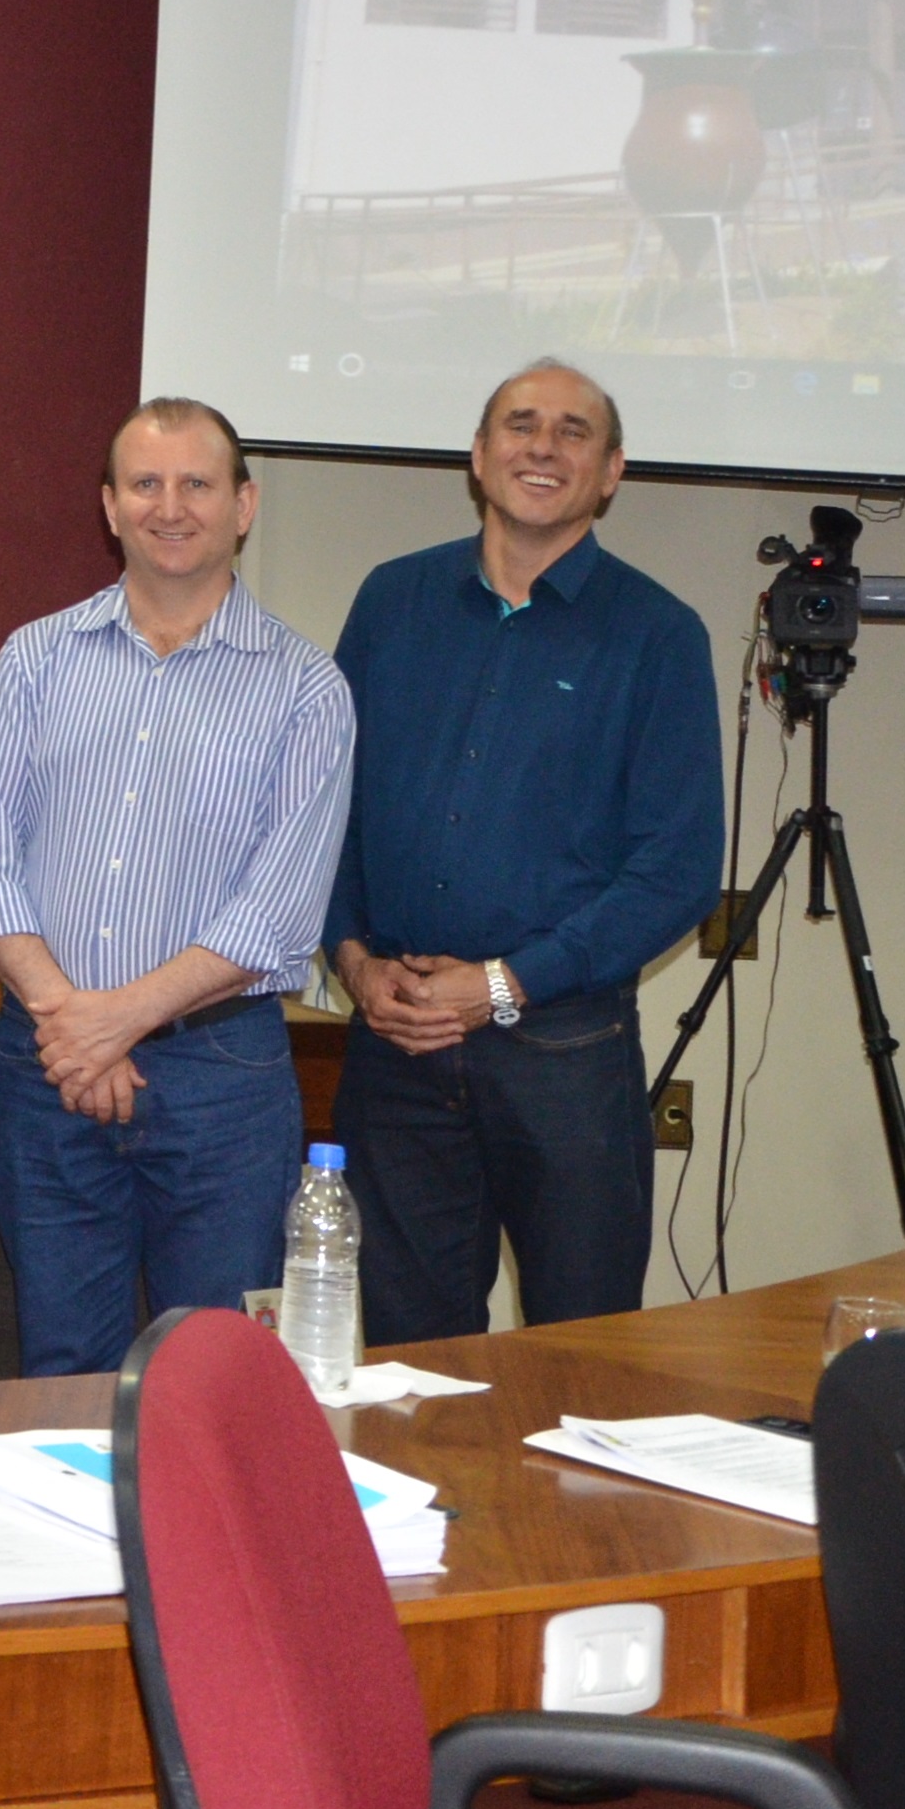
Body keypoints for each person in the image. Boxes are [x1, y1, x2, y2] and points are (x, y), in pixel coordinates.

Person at [322, 361, 722, 1338]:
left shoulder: (658, 635)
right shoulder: (392, 602)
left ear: (610, 471)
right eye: (519, 424)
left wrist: (501, 985)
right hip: (395, 1047)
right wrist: (353, 962)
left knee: (579, 1356)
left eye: (572, 432)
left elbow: (676, 870)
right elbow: (320, 810)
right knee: (407, 1364)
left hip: (563, 1052)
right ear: (478, 454)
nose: (542, 447)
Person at [0, 399, 354, 1377]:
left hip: (219, 1078)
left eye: (196, 484)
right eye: (144, 484)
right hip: (46, 1063)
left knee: (212, 1375)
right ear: (109, 506)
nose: (168, 507)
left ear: (242, 506)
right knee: (60, 1370)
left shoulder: (306, 688)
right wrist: (73, 1024)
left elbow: (275, 915)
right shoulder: (34, 659)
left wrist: (114, 1023)